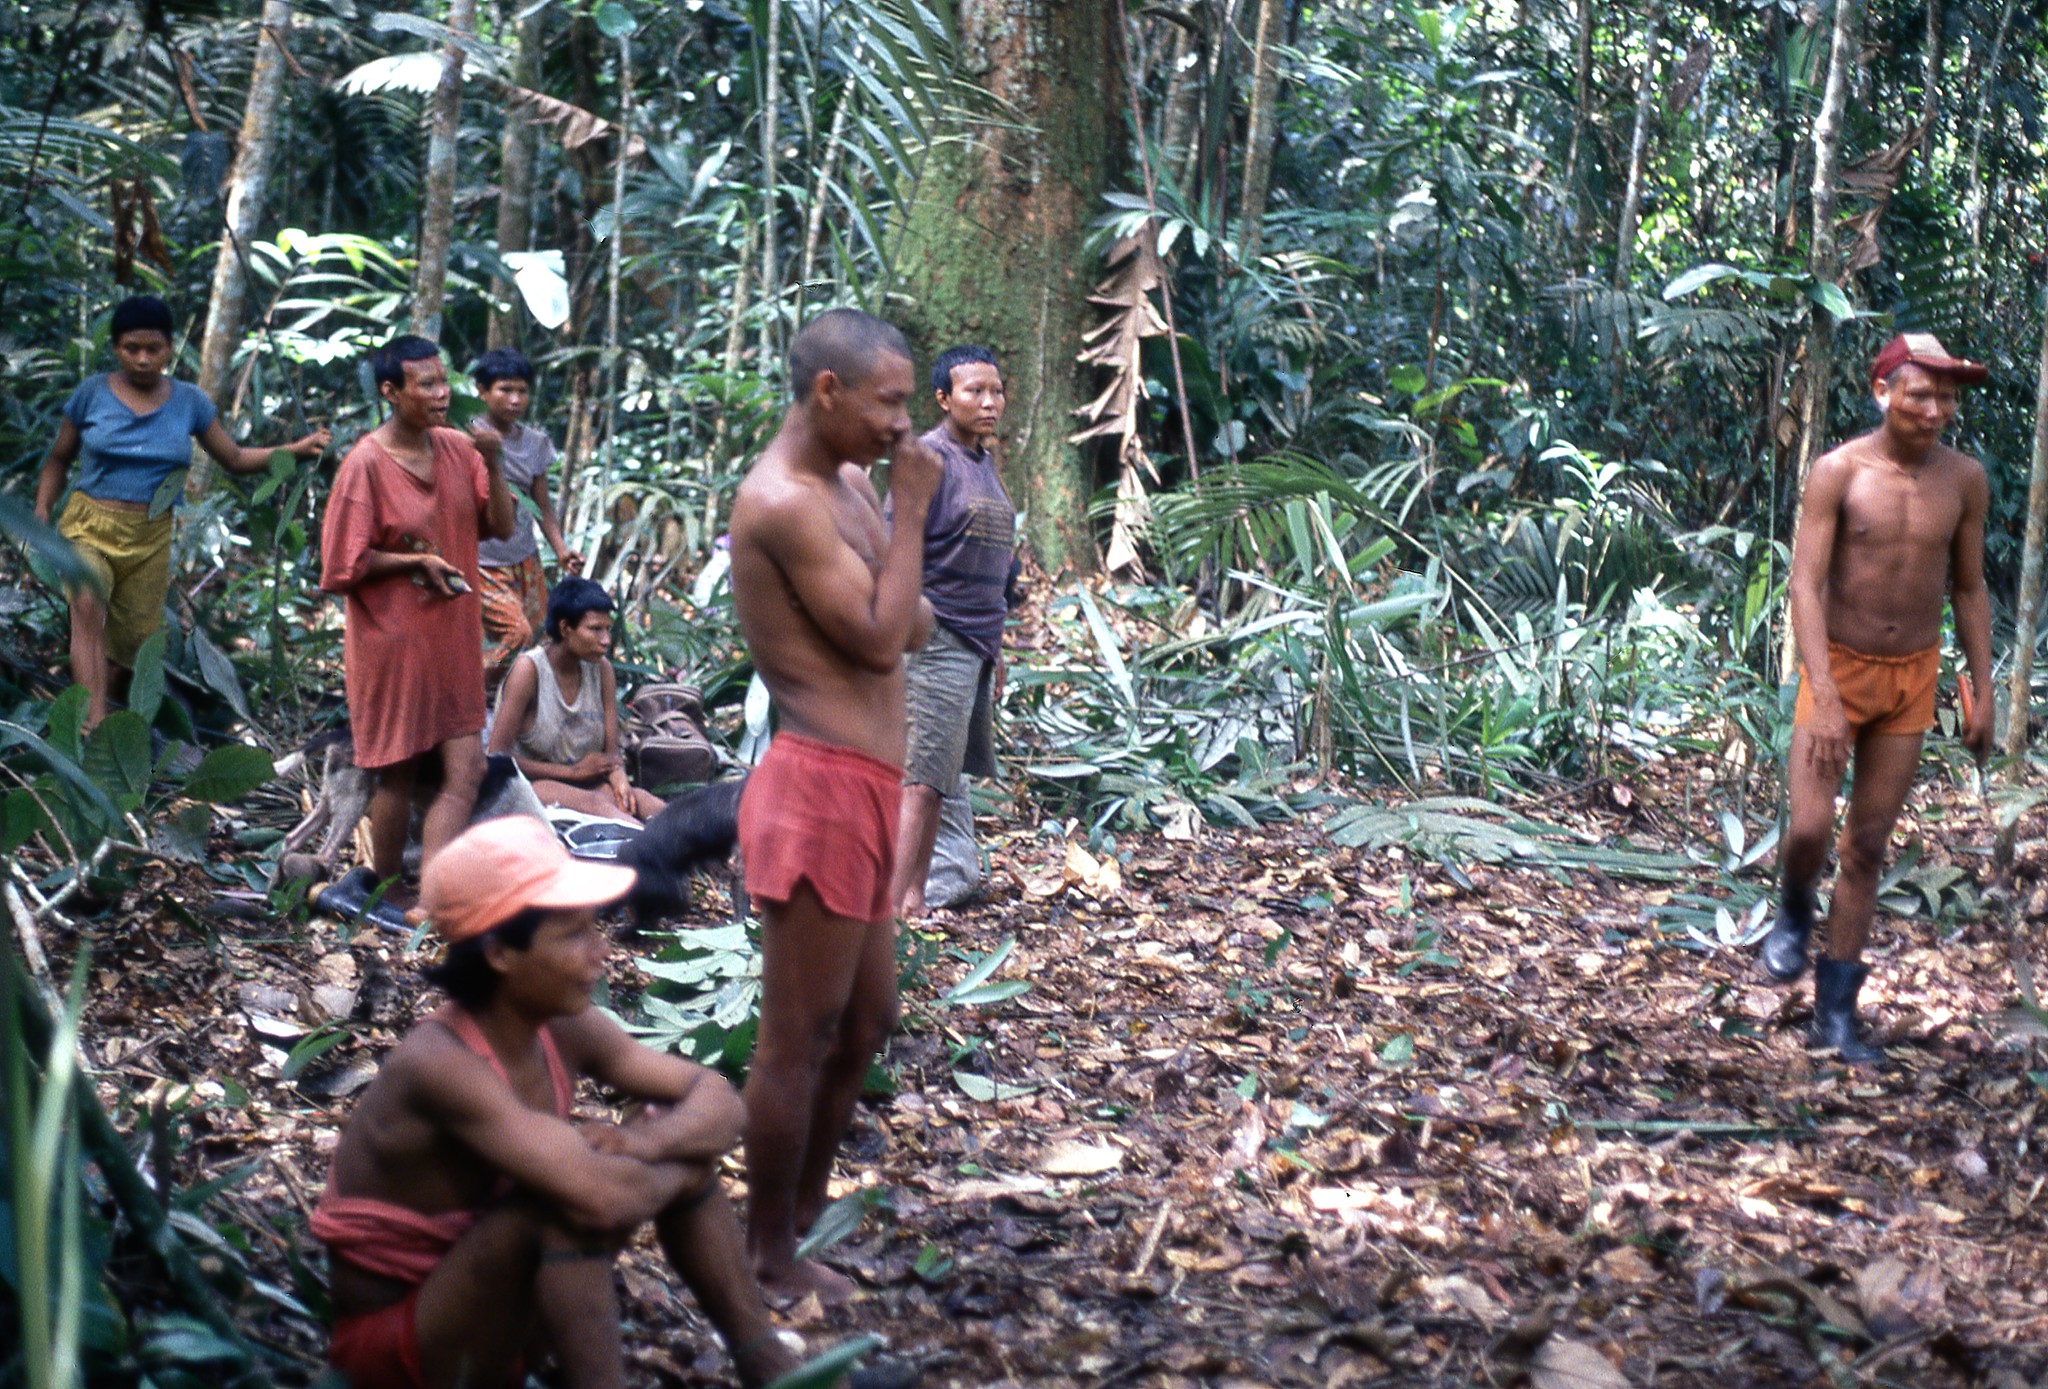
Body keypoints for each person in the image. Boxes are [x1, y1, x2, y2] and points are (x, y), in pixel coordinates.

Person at [311, 816, 803, 1389]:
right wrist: (681, 1166)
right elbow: (597, 1201)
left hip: (499, 1317)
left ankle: (765, 1361)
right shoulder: (439, 1063)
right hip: (403, 1349)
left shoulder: (564, 1027)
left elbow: (719, 1100)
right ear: (499, 953)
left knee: (662, 1130)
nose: (602, 954)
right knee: (560, 1211)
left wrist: (647, 1142)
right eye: (574, 935)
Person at [727, 307, 939, 1304]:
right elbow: (878, 639)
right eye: (890, 401)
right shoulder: (782, 500)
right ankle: (765, 1255)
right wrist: (909, 517)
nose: (904, 423)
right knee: (797, 1039)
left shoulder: (850, 486)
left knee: (866, 1021)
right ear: (828, 392)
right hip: (815, 783)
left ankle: (800, 1224)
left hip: (866, 783)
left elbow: (915, 615)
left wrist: (894, 532)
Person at [1760, 332, 1994, 1065]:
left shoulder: (1964, 480)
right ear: (1882, 391)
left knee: (1864, 846)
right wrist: (1822, 691)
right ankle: (1794, 906)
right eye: (1922, 393)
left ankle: (1835, 1015)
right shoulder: (1838, 471)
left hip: (1911, 678)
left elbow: (1968, 586)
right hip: (1840, 671)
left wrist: (1982, 690)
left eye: (1947, 397)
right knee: (1808, 830)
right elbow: (1803, 582)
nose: (1936, 409)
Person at [32, 294, 329, 728]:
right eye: (131, 348)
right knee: (87, 606)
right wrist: (40, 513)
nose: (143, 359)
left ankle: (113, 722)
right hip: (90, 524)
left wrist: (297, 451)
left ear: (170, 347)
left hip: (150, 535)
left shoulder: (189, 402)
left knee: (132, 648)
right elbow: (58, 458)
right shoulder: (91, 395)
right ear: (115, 348)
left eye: (153, 348)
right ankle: (90, 729)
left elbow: (235, 457)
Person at [320, 335, 516, 889]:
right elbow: (341, 564)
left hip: (452, 638)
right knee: (398, 772)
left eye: (441, 379)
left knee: (468, 769)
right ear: (391, 392)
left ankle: (431, 895)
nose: (440, 392)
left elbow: (499, 527)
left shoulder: (458, 449)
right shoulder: (365, 464)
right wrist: (413, 562)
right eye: (425, 383)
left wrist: (494, 462)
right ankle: (380, 889)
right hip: (393, 642)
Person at [884, 344, 1015, 920]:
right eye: (974, 391)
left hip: (975, 644)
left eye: (996, 390)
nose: (989, 402)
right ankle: (897, 904)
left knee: (938, 779)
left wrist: (997, 648)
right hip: (935, 640)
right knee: (920, 778)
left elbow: (994, 572)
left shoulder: (982, 462)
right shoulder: (925, 461)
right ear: (943, 399)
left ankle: (916, 892)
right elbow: (892, 552)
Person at [488, 576, 664, 823]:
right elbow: (497, 758)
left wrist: (618, 776)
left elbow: (611, 755)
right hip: (530, 788)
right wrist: (572, 772)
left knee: (640, 800)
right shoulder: (529, 671)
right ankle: (649, 853)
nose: (606, 640)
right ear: (565, 629)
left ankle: (720, 856)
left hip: (586, 784)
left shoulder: (602, 670)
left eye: (607, 628)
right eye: (595, 629)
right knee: (599, 806)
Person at [471, 348, 583, 685]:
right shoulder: (465, 437)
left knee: (538, 638)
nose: (515, 399)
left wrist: (562, 550)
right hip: (481, 559)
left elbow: (542, 505)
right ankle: (467, 688)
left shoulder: (535, 443)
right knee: (515, 634)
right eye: (505, 390)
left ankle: (507, 702)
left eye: (522, 391)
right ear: (482, 391)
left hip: (524, 557)